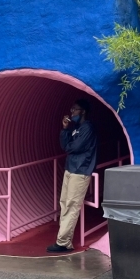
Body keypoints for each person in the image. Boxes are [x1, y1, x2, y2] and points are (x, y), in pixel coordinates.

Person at [47, 99, 98, 253]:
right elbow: (66, 146)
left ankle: (62, 242)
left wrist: (69, 147)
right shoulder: (76, 127)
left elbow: (75, 146)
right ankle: (64, 240)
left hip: (81, 170)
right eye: (72, 109)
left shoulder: (87, 128)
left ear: (83, 111)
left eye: (75, 109)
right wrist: (64, 129)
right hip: (70, 169)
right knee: (64, 203)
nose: (72, 112)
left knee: (72, 205)